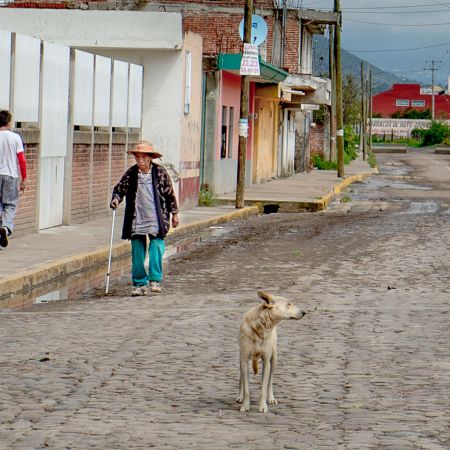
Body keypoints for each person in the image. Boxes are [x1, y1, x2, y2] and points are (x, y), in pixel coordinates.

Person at [110, 140, 179, 296]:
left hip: (156, 217)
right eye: (137, 157)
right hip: (137, 218)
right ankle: (139, 283)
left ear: (150, 158)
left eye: (143, 157)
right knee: (137, 250)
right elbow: (119, 189)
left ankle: (154, 280)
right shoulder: (132, 173)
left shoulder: (160, 173)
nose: (140, 161)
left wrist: (174, 214)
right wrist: (116, 199)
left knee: (156, 246)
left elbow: (169, 195)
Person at [0, 110, 27, 249]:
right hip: (11, 175)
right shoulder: (15, 138)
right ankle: (5, 227)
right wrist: (24, 179)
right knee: (10, 205)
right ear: (9, 122)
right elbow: (21, 160)